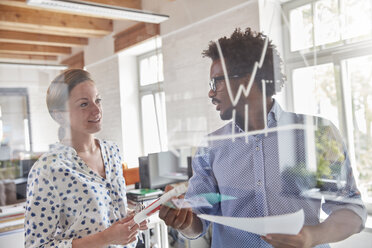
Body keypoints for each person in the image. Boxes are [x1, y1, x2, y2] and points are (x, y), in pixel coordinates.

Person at [159, 28, 367, 248]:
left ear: (247, 81)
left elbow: (352, 210)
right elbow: (198, 222)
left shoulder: (318, 134)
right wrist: (183, 221)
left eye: (216, 82)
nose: (211, 93)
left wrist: (313, 236)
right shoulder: (210, 148)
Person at [24, 69, 147, 248]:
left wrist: (131, 218)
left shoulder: (112, 151)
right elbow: (36, 246)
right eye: (84, 104)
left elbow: (100, 214)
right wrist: (106, 238)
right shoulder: (48, 170)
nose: (96, 110)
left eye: (97, 100)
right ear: (60, 115)